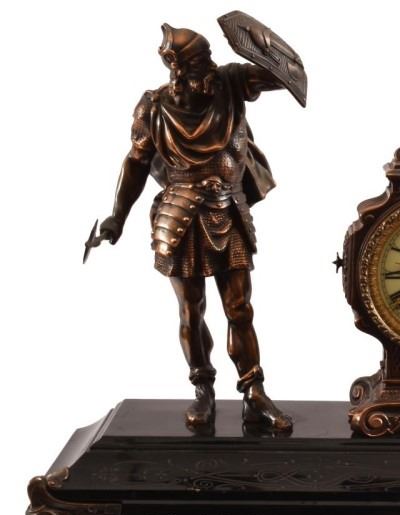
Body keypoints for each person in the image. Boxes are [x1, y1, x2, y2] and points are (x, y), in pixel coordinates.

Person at [98, 24, 293, 431]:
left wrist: (256, 45)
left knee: (240, 308)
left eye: (209, 60)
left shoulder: (231, 83)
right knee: (191, 310)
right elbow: (135, 162)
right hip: (180, 215)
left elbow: (282, 77)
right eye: (201, 62)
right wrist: (118, 216)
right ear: (179, 68)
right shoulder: (153, 107)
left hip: (229, 209)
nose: (210, 68)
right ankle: (203, 389)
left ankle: (254, 392)